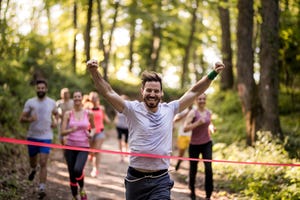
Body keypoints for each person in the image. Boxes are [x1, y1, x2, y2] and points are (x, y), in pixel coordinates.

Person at [86, 59, 224, 200]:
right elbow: (108, 92)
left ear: (161, 93)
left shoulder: (170, 109)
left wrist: (213, 73)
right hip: (136, 179)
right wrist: (94, 71)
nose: (152, 94)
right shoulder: (132, 109)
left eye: (156, 91)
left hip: (161, 180)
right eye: (149, 90)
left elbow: (194, 92)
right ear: (142, 91)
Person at [19, 79, 59, 199]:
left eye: (43, 88)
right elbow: (21, 119)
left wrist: (56, 122)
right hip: (32, 136)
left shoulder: (52, 102)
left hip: (46, 137)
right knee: (33, 161)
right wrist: (29, 119)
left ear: (46, 89)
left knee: (43, 162)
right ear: (36, 89)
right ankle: (33, 169)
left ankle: (42, 187)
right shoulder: (30, 102)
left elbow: (56, 114)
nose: (41, 90)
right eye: (39, 88)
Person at [61, 91, 95, 200]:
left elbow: (93, 128)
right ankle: (75, 196)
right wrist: (71, 130)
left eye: (79, 96)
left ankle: (82, 188)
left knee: (77, 169)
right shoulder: (68, 114)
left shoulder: (88, 113)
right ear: (73, 99)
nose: (77, 98)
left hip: (83, 146)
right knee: (71, 173)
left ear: (81, 99)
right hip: (70, 146)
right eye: (75, 97)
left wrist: (91, 134)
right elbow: (62, 132)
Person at [183, 93, 216, 200]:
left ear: (206, 100)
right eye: (199, 99)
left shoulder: (208, 112)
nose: (202, 101)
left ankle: (208, 194)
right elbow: (185, 128)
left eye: (203, 99)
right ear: (196, 100)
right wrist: (197, 123)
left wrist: (212, 128)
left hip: (207, 143)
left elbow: (209, 123)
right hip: (194, 145)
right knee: (193, 169)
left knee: (208, 169)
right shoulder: (193, 113)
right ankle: (192, 190)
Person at [88, 91, 111, 177]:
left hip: (100, 132)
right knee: (91, 150)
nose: (93, 99)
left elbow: (105, 117)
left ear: (98, 99)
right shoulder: (87, 108)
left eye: (95, 97)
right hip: (90, 132)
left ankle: (95, 169)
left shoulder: (102, 108)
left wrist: (109, 121)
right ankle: (91, 155)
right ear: (89, 99)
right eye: (92, 97)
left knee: (97, 150)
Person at [173, 106, 192, 171]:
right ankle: (179, 162)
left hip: (193, 135)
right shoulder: (183, 109)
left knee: (192, 155)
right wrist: (186, 113)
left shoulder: (196, 109)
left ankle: (190, 172)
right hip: (182, 134)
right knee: (181, 153)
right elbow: (175, 120)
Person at [114, 94, 130, 162]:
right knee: (119, 141)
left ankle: (126, 151)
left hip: (127, 127)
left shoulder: (129, 108)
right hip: (119, 126)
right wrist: (115, 120)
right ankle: (121, 156)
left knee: (126, 141)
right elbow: (117, 116)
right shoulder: (117, 108)